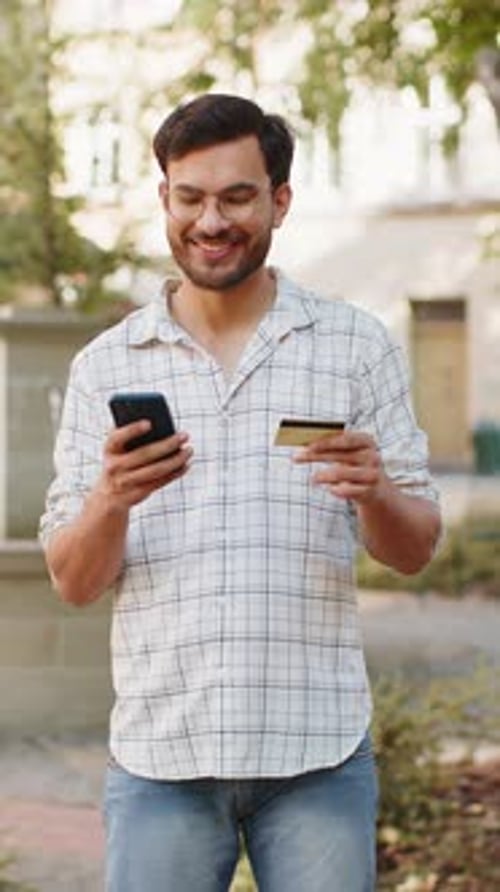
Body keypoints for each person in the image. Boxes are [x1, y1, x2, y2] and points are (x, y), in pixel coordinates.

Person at [39, 93, 442, 892]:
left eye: (236, 197)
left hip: (317, 760)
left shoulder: (354, 347)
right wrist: (110, 500)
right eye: (190, 197)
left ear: (279, 201)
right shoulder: (105, 367)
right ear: (165, 200)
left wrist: (376, 494)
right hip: (161, 761)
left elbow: (415, 551)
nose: (211, 221)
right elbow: (72, 582)